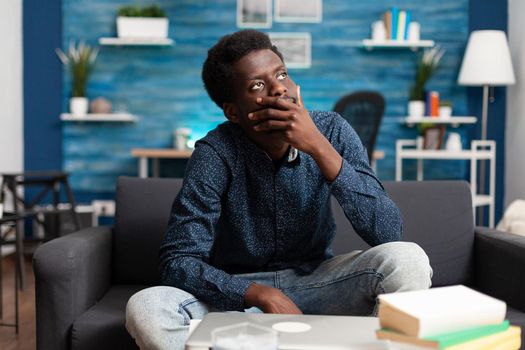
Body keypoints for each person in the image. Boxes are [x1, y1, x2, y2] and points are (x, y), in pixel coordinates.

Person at [126, 29, 432, 350]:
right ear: (233, 111)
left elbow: (389, 231)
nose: (279, 89)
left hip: (318, 283)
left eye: (282, 75)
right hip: (238, 294)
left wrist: (319, 147)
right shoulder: (214, 152)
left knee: (407, 258)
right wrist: (259, 294)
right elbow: (178, 260)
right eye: (258, 85)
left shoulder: (332, 130)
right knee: (147, 306)